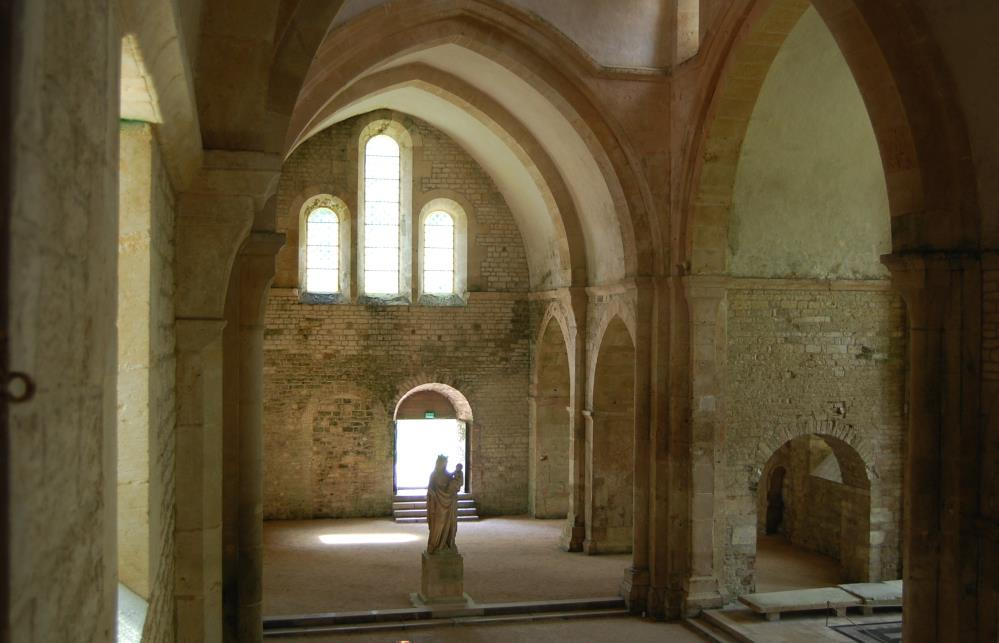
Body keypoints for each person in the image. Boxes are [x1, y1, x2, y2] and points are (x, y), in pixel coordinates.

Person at [426, 455, 462, 554]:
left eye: (445, 463)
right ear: (438, 463)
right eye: (442, 462)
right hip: (438, 503)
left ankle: (446, 543)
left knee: (449, 524)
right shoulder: (434, 474)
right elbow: (429, 488)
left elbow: (455, 485)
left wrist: (457, 481)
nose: (444, 465)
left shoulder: (448, 475)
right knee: (438, 524)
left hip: (449, 502)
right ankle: (434, 544)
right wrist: (433, 494)